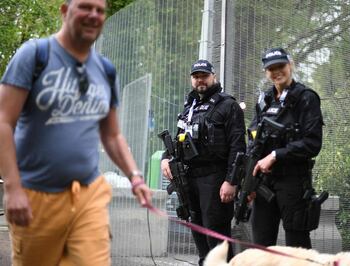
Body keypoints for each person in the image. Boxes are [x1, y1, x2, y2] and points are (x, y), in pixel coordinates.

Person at [0, 0, 152, 265]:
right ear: (64, 10)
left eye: (100, 10)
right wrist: (13, 188)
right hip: (36, 196)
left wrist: (135, 177)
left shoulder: (105, 70)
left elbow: (112, 135)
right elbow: (3, 121)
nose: (93, 15)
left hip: (88, 194)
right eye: (85, 7)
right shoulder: (35, 55)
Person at [161, 59, 246, 265]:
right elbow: (180, 139)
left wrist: (231, 181)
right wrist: (166, 158)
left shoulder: (228, 105)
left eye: (204, 76)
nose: (200, 80)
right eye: (196, 76)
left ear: (213, 77)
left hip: (215, 178)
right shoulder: (190, 106)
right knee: (197, 229)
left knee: (216, 236)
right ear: (192, 79)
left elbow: (238, 148)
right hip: (190, 178)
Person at [250, 48, 324, 249]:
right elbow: (253, 139)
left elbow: (312, 143)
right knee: (261, 248)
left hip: (293, 182)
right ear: (266, 72)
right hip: (264, 183)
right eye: (271, 68)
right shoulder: (264, 100)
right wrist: (247, 181)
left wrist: (276, 155)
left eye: (280, 66)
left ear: (290, 65)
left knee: (297, 248)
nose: (276, 72)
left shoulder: (306, 98)